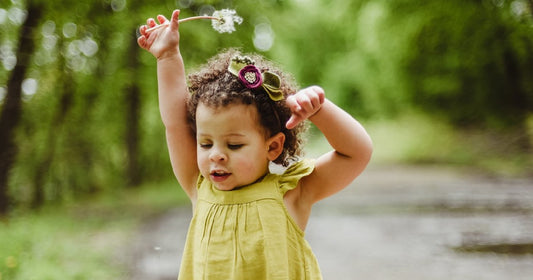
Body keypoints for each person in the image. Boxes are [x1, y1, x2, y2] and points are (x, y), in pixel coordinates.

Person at [137, 9, 373, 280]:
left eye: (234, 145)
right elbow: (176, 123)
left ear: (272, 147)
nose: (216, 155)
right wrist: (167, 56)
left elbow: (356, 153)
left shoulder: (292, 192)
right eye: (205, 144)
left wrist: (319, 110)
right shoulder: (198, 186)